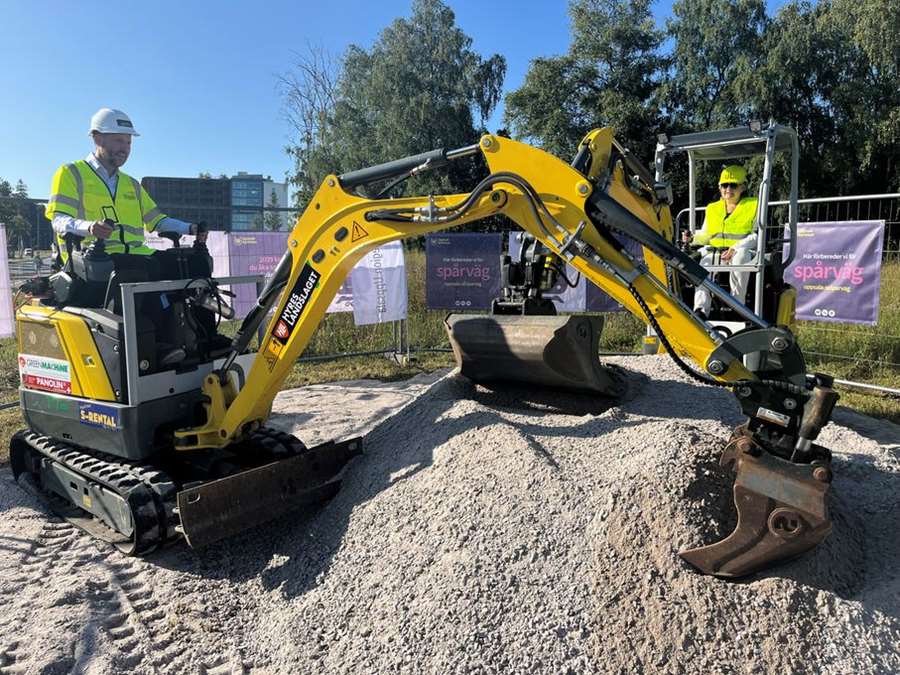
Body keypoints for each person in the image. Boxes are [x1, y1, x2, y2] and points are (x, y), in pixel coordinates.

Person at [45, 107, 207, 265]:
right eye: (119, 141)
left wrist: (190, 228)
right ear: (97, 138)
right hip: (93, 257)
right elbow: (59, 221)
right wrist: (89, 227)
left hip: (138, 256)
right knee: (147, 273)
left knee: (193, 265)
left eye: (128, 143)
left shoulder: (132, 184)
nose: (125, 149)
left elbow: (157, 221)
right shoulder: (71, 173)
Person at [686, 164, 758, 318]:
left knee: (741, 257)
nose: (728, 189)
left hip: (741, 251)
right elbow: (706, 235)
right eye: (724, 185)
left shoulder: (754, 205)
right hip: (716, 252)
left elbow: (756, 236)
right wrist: (692, 238)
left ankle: (737, 308)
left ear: (743, 187)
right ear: (720, 188)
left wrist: (736, 248)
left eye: (733, 185)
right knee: (704, 263)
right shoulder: (712, 208)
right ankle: (700, 311)